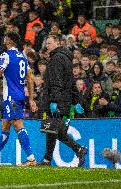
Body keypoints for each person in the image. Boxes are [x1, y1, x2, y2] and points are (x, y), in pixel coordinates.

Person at [0, 32, 38, 166]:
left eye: (5, 37)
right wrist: (31, 98)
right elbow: (29, 78)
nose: (4, 39)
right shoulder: (22, 57)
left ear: (9, 40)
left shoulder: (6, 56)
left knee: (17, 124)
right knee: (5, 125)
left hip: (11, 96)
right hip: (20, 96)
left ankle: (31, 158)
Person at [40, 35, 87, 167]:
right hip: (64, 101)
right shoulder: (66, 58)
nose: (47, 46)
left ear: (57, 43)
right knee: (54, 130)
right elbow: (71, 83)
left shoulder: (56, 58)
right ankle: (48, 159)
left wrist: (54, 101)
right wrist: (76, 101)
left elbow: (56, 82)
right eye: (46, 43)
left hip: (57, 101)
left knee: (54, 130)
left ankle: (77, 150)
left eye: (49, 43)